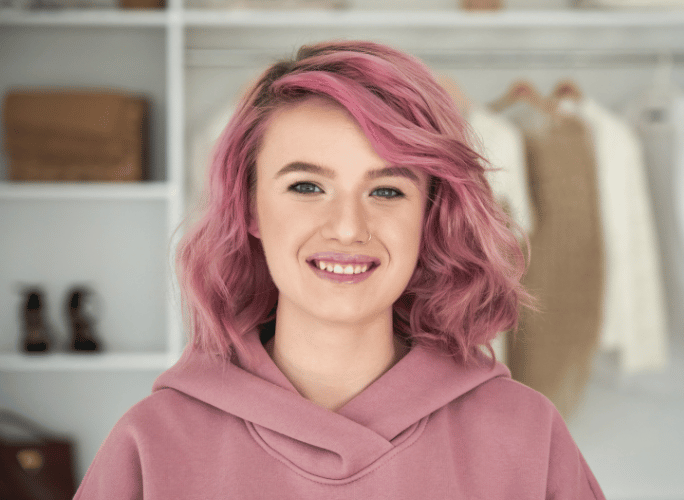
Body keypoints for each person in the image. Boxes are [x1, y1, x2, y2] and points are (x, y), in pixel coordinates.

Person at [73, 40, 605, 499]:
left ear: (429, 215)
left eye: (386, 190)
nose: (348, 227)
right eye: (307, 187)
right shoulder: (152, 444)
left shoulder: (526, 434)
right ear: (251, 208)